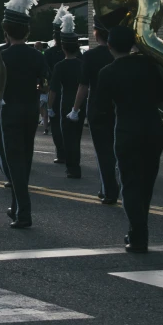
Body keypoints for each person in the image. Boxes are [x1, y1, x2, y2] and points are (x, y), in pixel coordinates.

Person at [95, 26, 163, 253]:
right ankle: (140, 229)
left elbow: (101, 109)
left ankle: (138, 235)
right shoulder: (149, 66)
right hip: (153, 130)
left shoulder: (107, 72)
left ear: (109, 46)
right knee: (147, 183)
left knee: (130, 184)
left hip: (127, 131)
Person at [0, 0, 47, 228]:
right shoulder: (37, 56)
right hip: (31, 109)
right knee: (25, 158)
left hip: (9, 110)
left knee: (14, 163)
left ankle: (24, 212)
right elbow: (44, 85)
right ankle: (16, 207)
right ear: (26, 31)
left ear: (6, 31)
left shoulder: (0, 56)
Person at [68, 13, 117, 203]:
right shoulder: (120, 54)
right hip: (119, 107)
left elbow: (84, 86)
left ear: (97, 34)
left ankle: (109, 190)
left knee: (103, 152)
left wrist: (75, 108)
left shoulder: (90, 56)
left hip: (98, 107)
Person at [50, 11, 84, 179]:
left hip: (66, 102)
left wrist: (49, 107)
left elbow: (54, 89)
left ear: (63, 47)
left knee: (68, 137)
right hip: (80, 101)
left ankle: (72, 167)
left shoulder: (60, 66)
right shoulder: (82, 63)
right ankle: (74, 164)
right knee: (76, 137)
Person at [45, 5, 69, 164]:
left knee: (56, 126)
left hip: (56, 91)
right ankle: (68, 153)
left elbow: (47, 75)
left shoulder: (49, 53)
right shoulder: (74, 52)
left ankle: (61, 153)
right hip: (71, 92)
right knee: (68, 127)